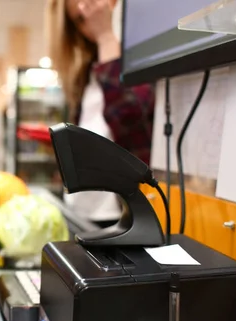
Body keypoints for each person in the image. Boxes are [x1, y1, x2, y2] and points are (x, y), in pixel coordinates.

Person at [46, 0, 155, 227]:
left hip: (126, 216)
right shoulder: (86, 74)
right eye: (80, 18)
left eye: (93, 3)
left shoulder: (143, 56)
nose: (92, 17)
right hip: (85, 213)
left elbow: (129, 115)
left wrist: (106, 35)